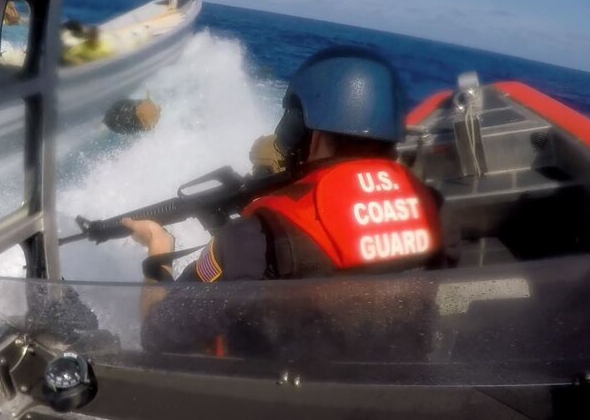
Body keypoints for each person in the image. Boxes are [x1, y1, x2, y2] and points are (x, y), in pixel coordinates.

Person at [122, 46, 443, 355]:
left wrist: (157, 254)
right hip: (398, 387)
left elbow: (157, 333)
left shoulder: (250, 239)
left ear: (308, 134)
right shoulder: (430, 208)